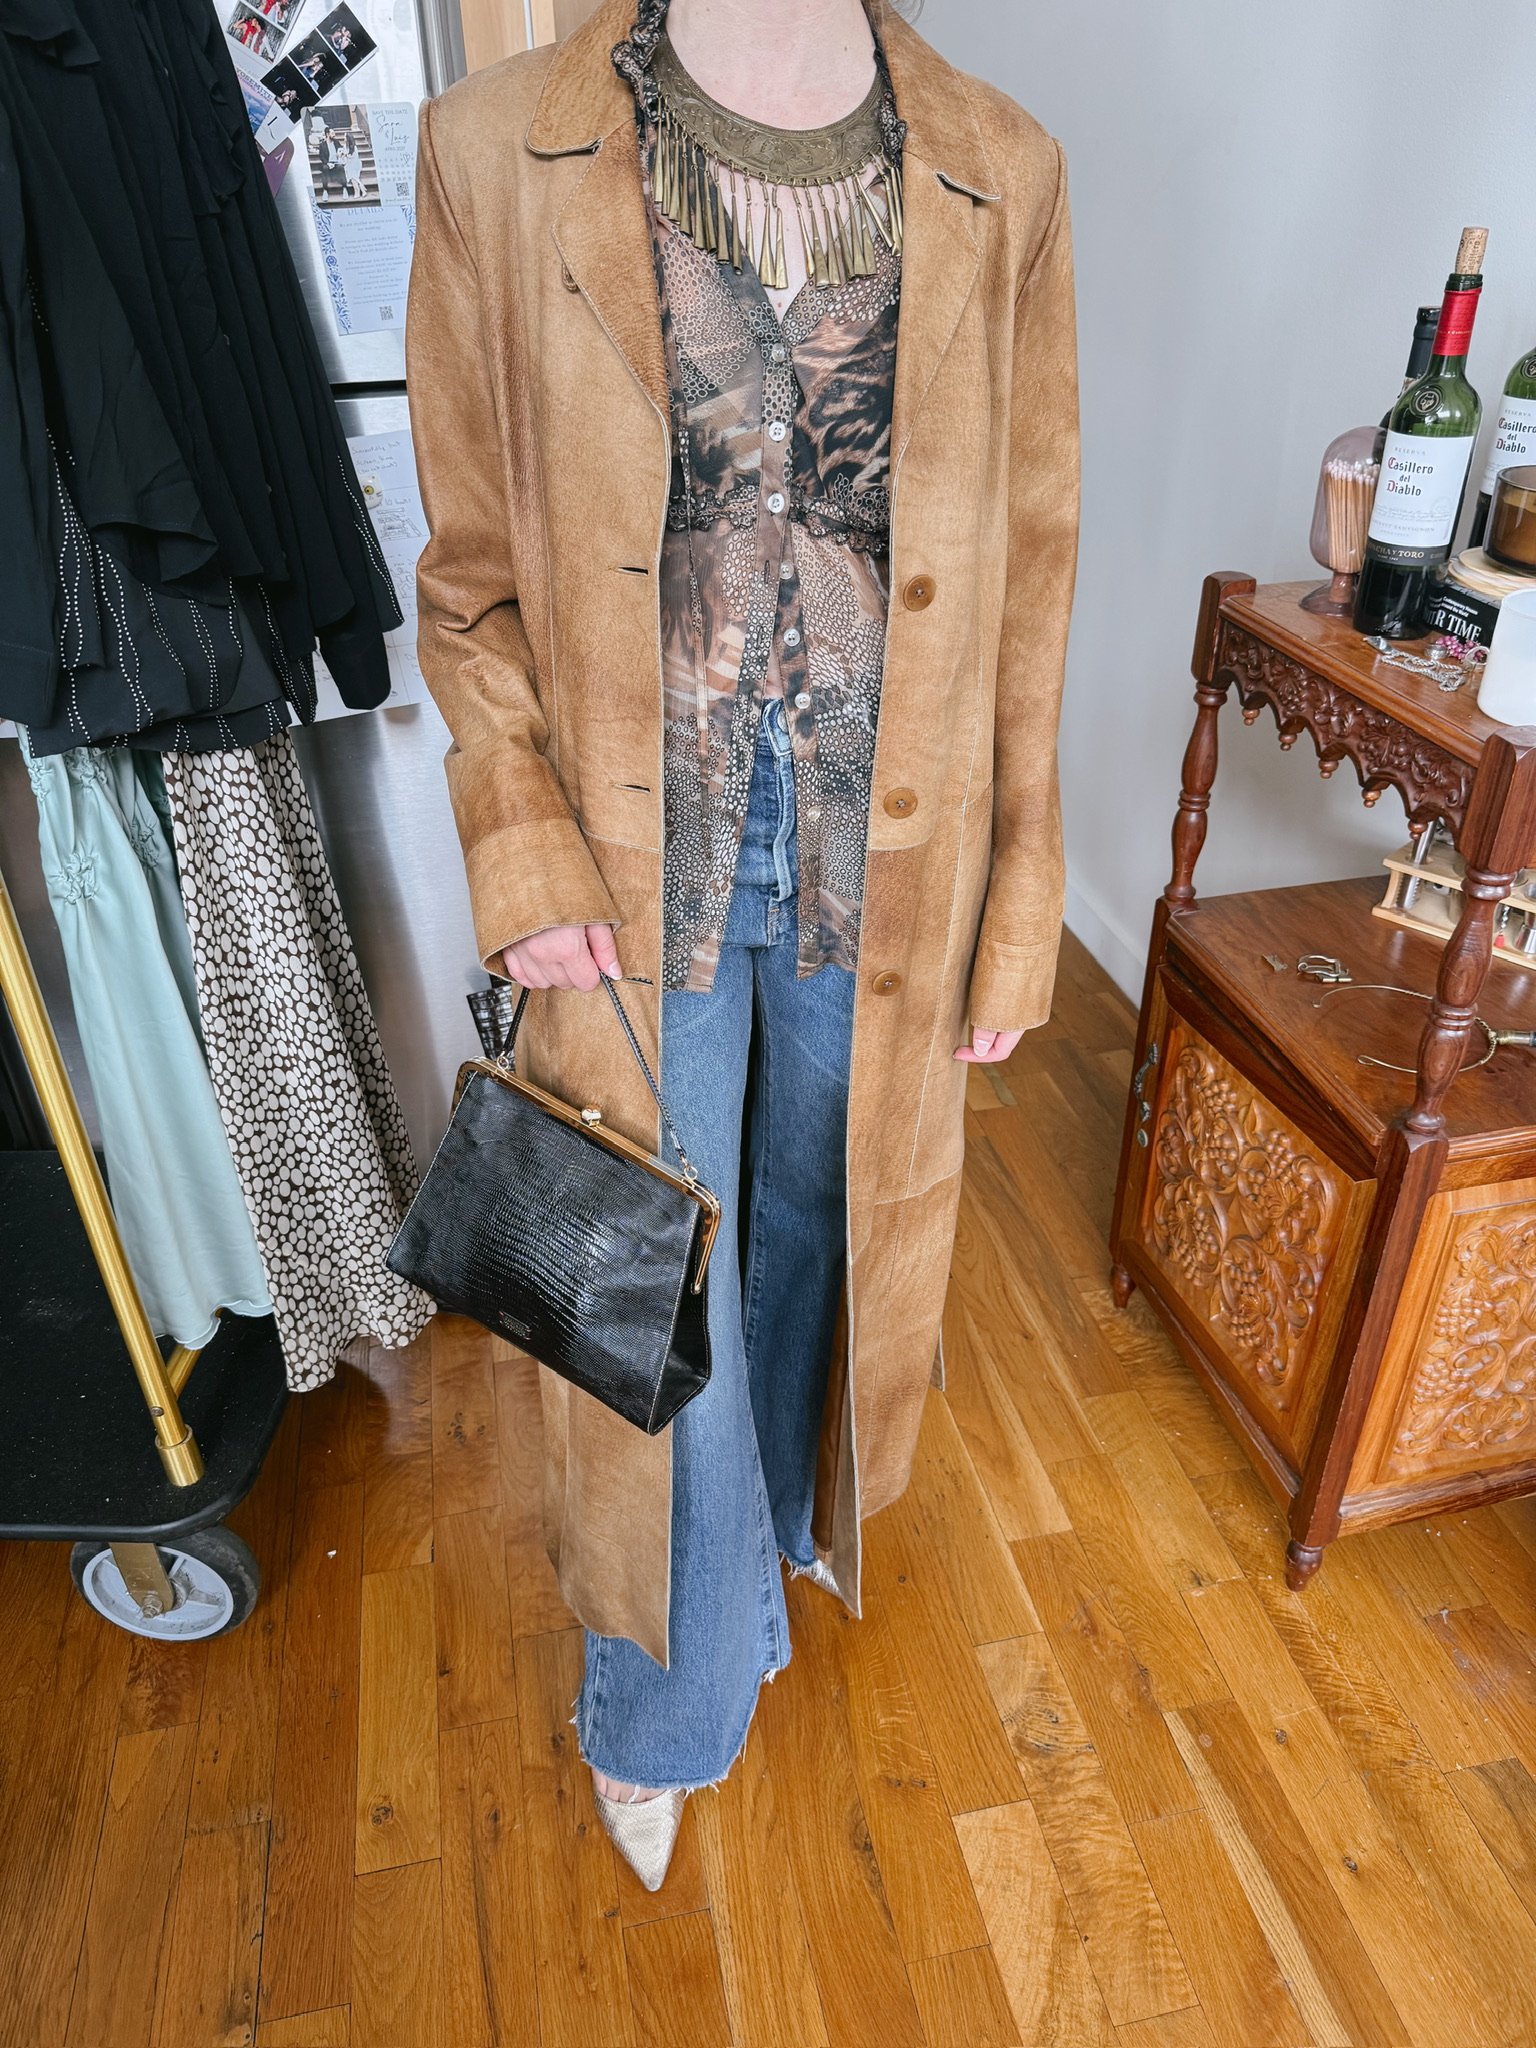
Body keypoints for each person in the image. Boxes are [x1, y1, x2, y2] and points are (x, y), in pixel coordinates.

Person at [406, 0, 1077, 1891]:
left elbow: (1036, 556)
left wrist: (1029, 874)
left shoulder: (1001, 167)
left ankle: (765, 1541)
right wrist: (519, 839)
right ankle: (671, 1703)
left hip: (900, 833)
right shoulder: (494, 152)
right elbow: (467, 579)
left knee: (822, 1221)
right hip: (634, 840)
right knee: (644, 1270)